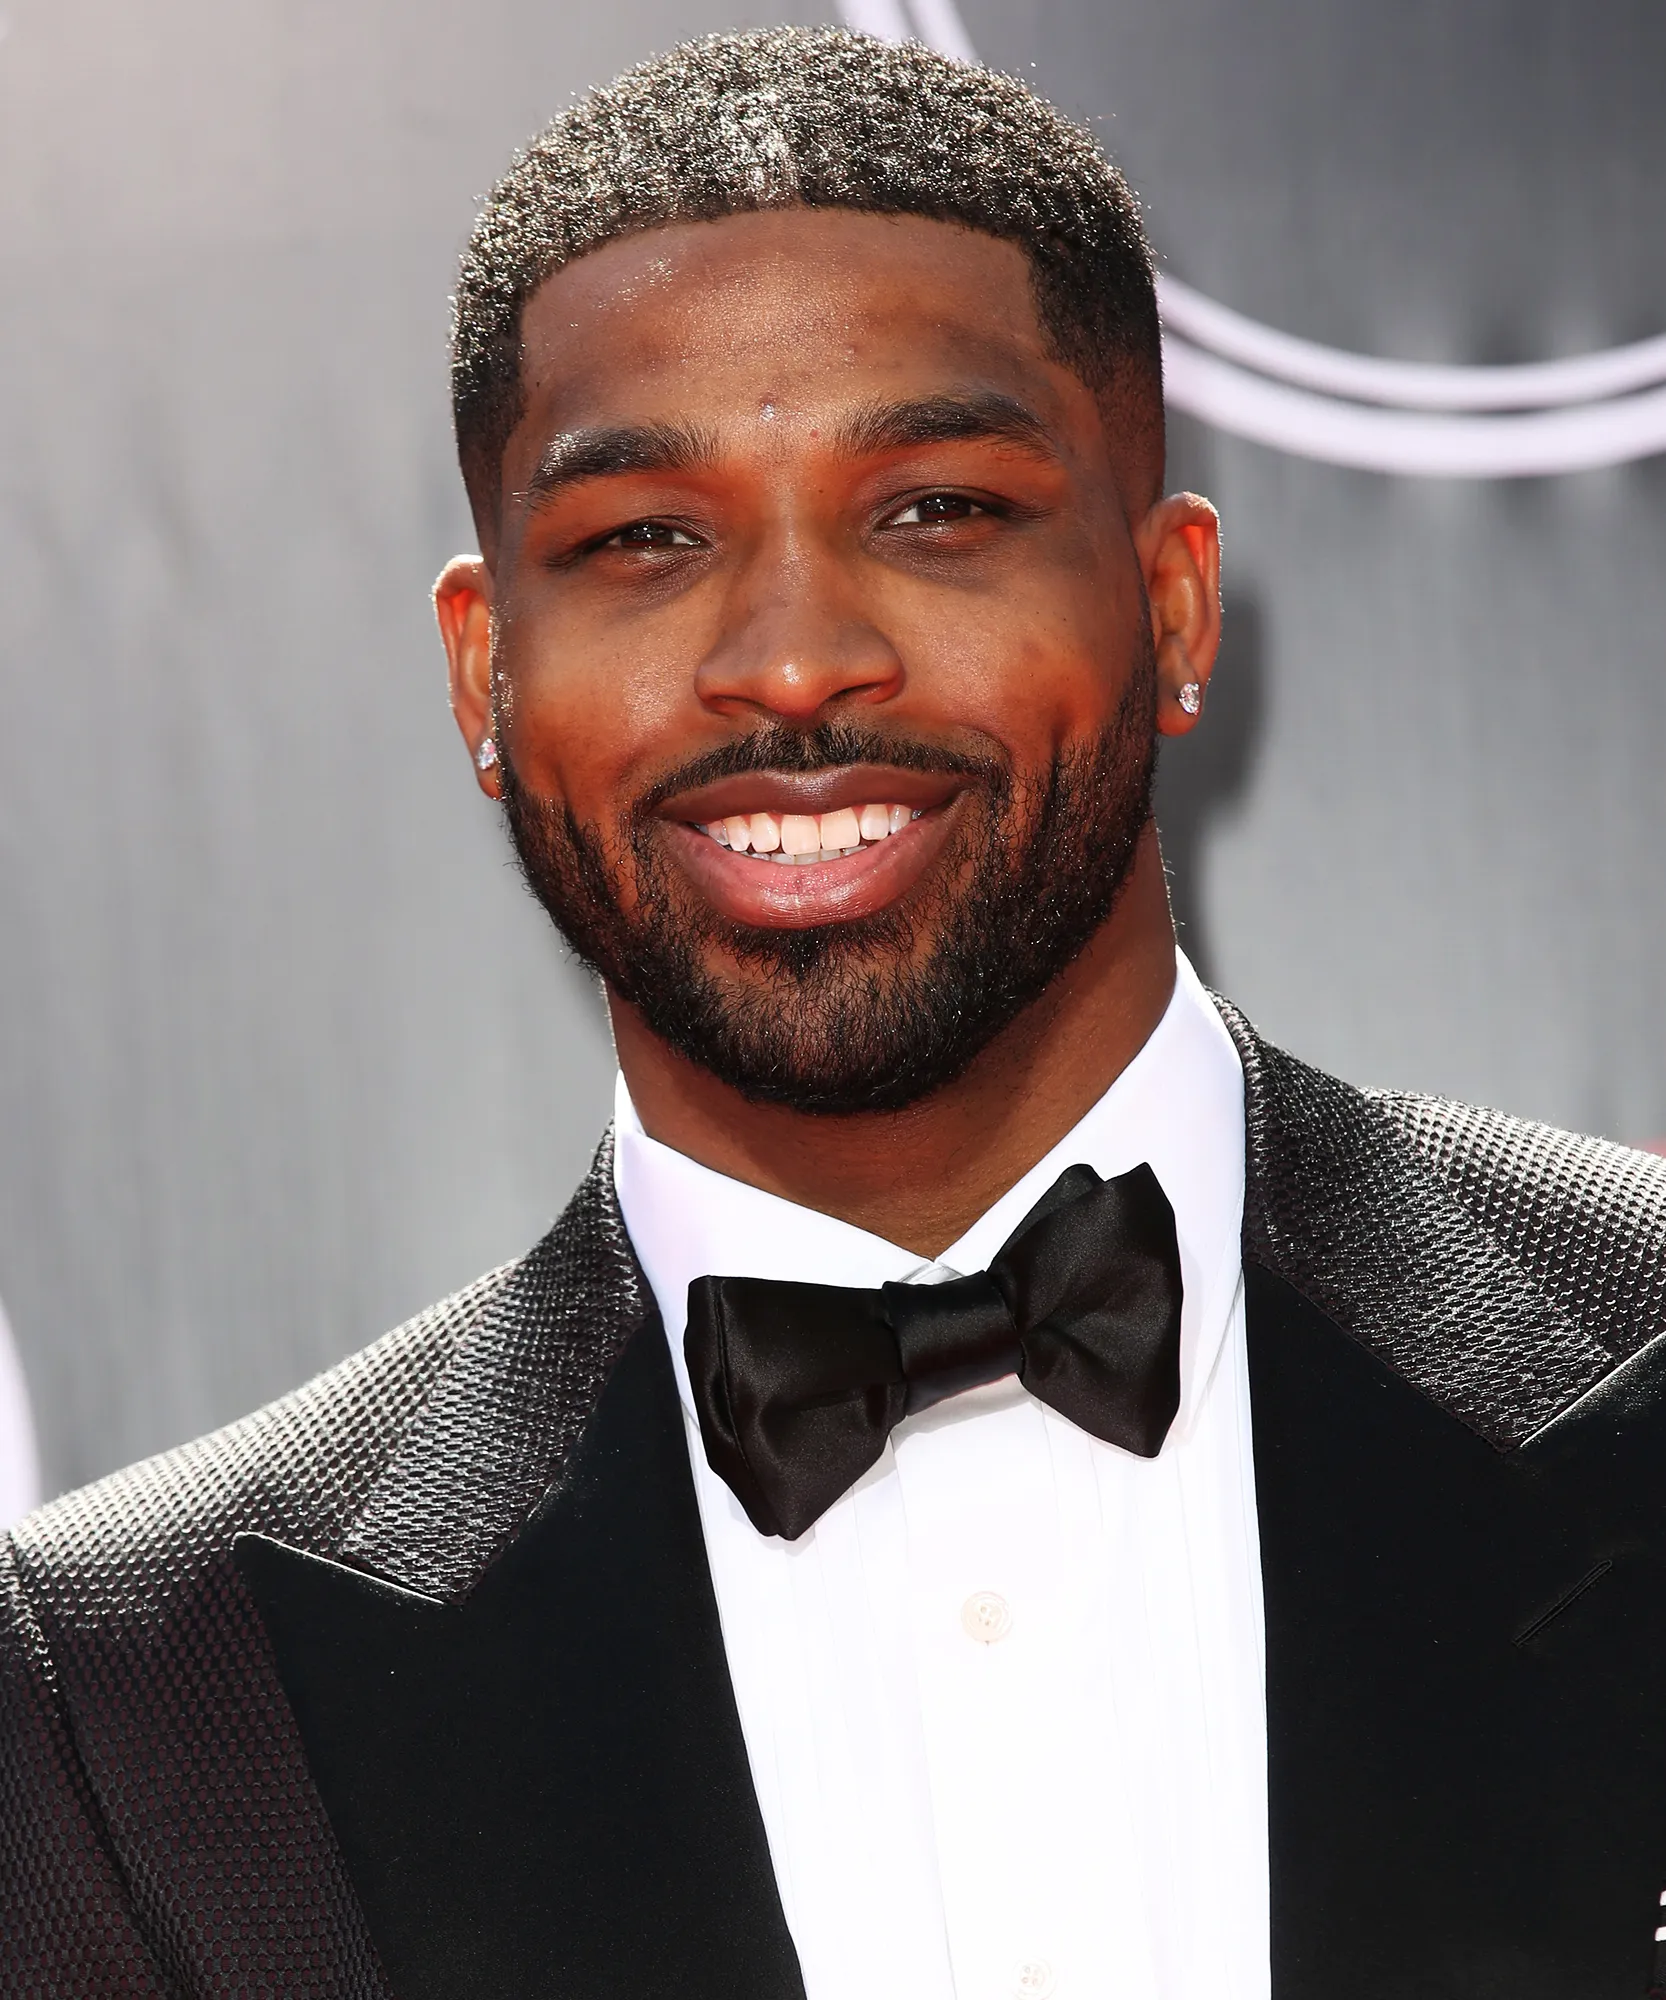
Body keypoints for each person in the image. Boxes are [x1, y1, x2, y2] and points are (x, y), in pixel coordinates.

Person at [5, 27, 1666, 2000]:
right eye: (643, 540)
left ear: (1172, 606)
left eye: (934, 509)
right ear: (479, 674)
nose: (791, 662)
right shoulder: (130, 1697)